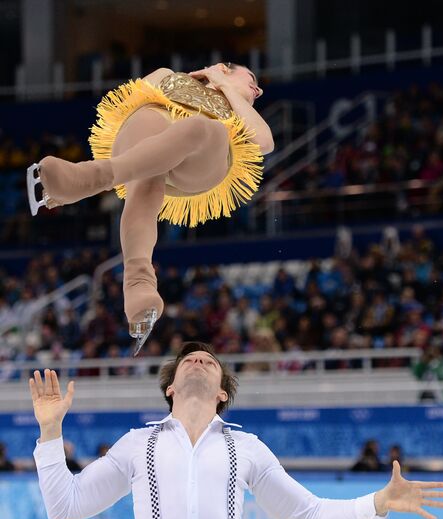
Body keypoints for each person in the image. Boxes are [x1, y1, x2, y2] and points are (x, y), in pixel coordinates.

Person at [30, 342, 443, 519]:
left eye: (209, 360)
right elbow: (63, 507)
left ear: (222, 394)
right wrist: (50, 432)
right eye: (188, 359)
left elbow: (310, 515)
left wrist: (378, 502)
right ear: (171, 386)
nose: (198, 359)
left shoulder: (247, 449)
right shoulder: (137, 445)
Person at [27, 64, 272, 355]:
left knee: (204, 128)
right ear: (222, 67)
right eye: (252, 80)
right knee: (146, 147)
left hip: (200, 161)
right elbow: (135, 99)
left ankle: (91, 178)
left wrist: (228, 88)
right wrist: (198, 80)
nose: (258, 90)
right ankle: (138, 285)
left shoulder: (238, 107)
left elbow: (263, 142)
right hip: (147, 143)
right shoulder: (169, 76)